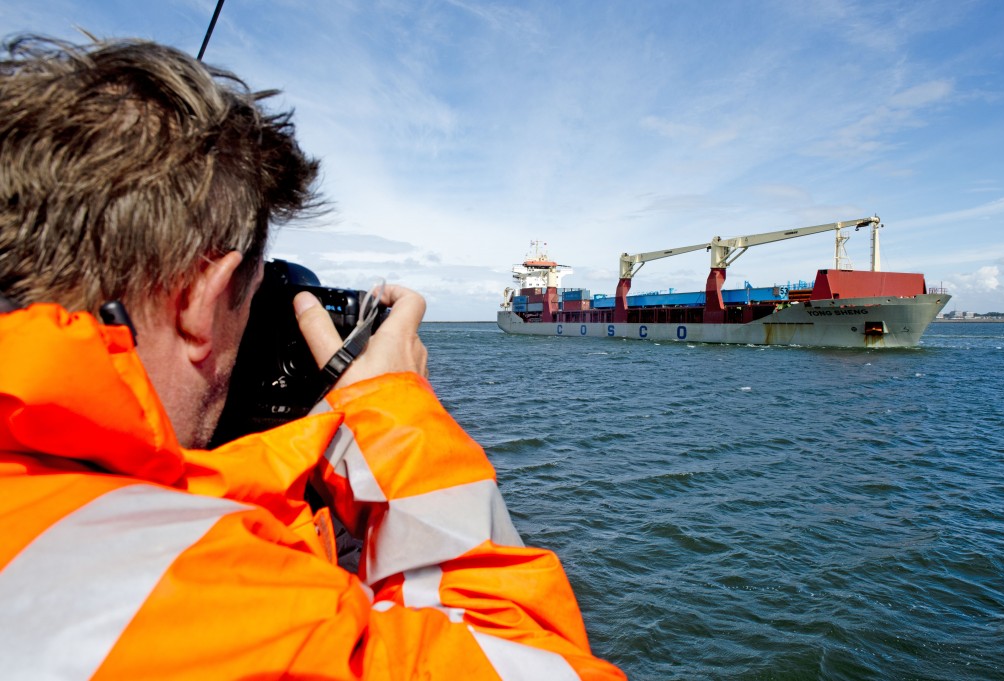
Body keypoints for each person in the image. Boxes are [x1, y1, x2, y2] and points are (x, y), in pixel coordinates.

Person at [0, 36, 625, 679]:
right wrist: (391, 414)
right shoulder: (234, 609)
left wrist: (304, 446)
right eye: (250, 300)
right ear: (195, 300)